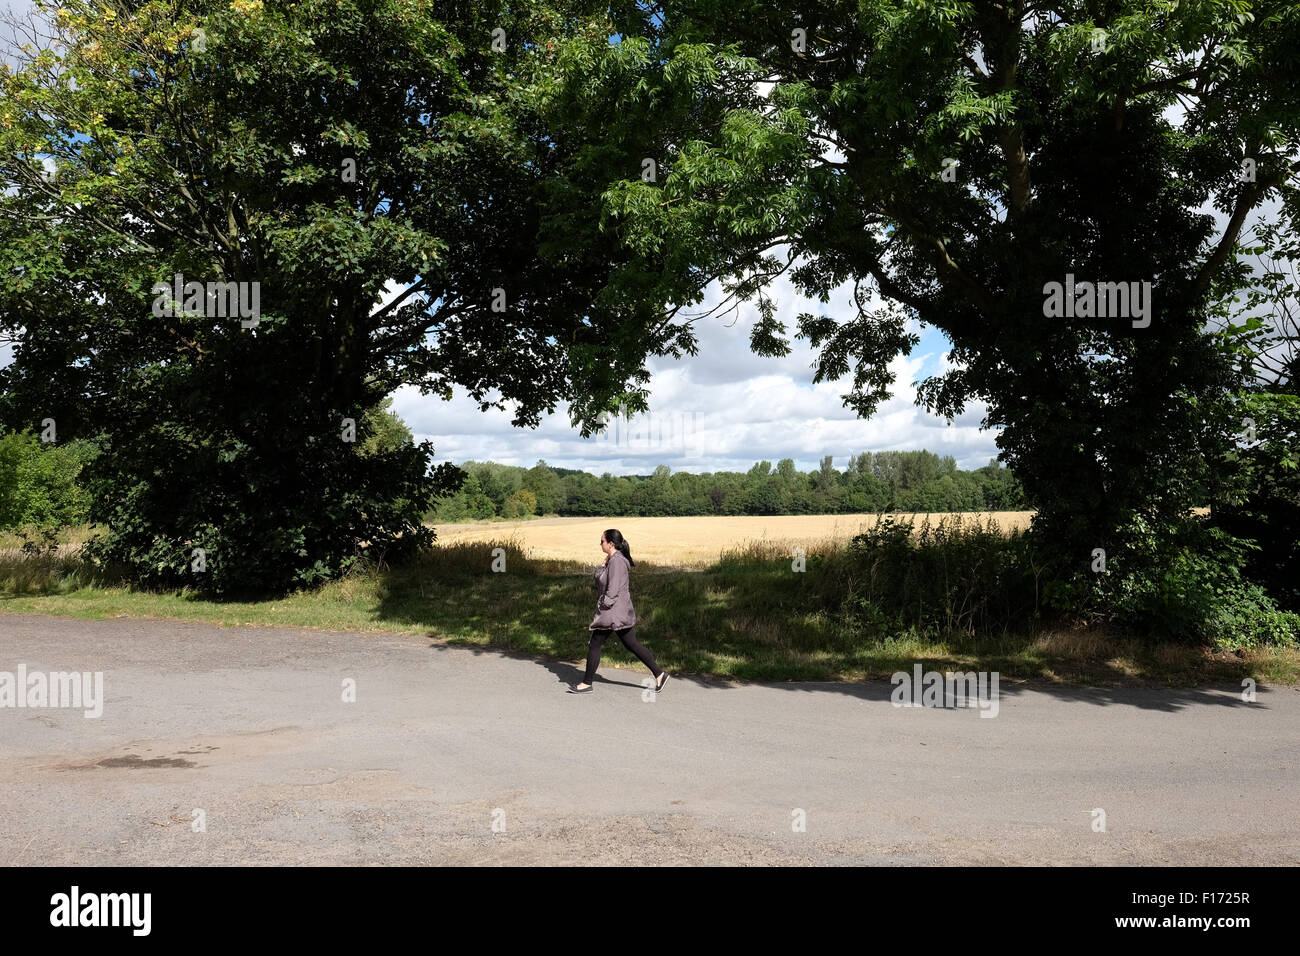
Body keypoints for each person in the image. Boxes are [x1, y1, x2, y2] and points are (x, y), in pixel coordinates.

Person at [569, 529, 669, 695]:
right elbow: (600, 580)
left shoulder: (617, 562)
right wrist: (602, 565)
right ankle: (659, 674)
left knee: (595, 643)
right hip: (618, 610)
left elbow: (612, 589)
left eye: (601, 541)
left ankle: (586, 683)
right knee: (631, 644)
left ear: (611, 544)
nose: (600, 543)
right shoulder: (613, 560)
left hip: (612, 611)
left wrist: (603, 605)